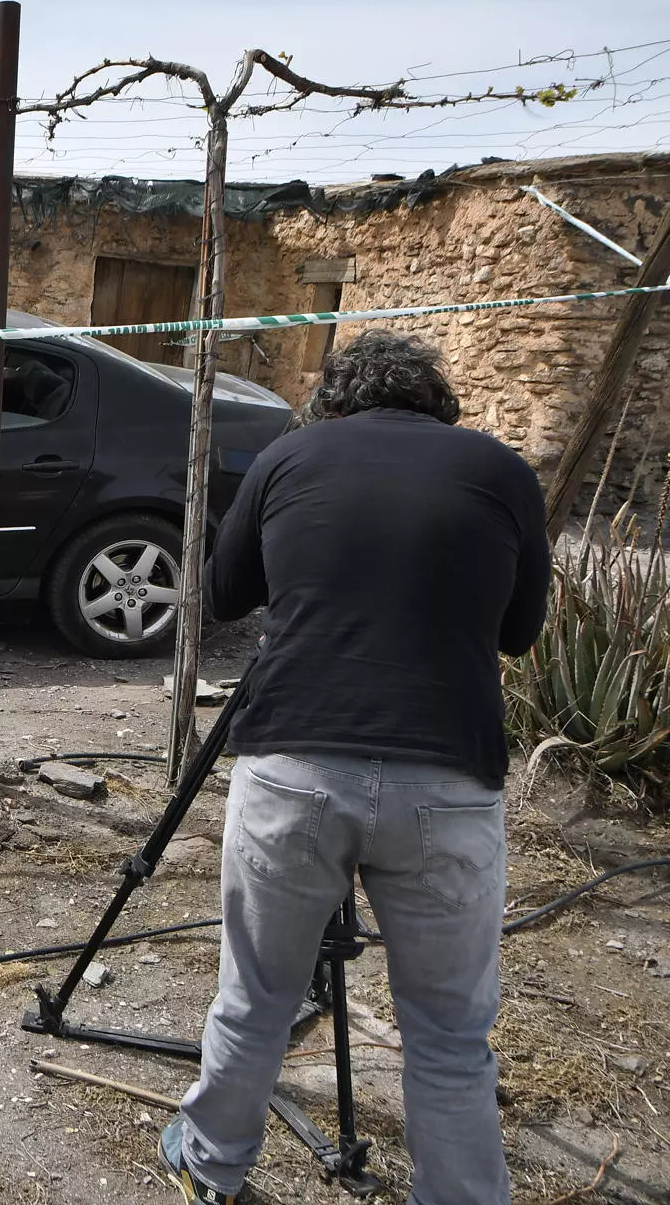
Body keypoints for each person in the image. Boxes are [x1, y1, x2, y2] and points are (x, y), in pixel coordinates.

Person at [159, 330, 550, 1205]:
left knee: (257, 995)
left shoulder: (291, 455)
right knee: (450, 1035)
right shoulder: (502, 472)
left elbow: (221, 595)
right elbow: (518, 634)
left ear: (334, 399)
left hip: (295, 763)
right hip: (449, 778)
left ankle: (212, 1165)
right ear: (436, 399)